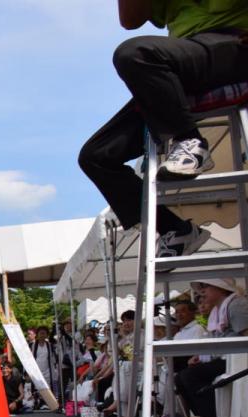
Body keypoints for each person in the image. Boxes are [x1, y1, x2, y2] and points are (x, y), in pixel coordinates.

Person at [78, 1, 248, 260]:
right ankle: (177, 230)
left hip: (234, 43)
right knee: (96, 157)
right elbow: (130, 20)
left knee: (135, 53)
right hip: (187, 58)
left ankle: (191, 143)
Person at [177, 278, 248, 417]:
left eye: (206, 286)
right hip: (225, 357)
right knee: (180, 378)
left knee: (190, 376)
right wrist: (201, 356)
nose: (202, 291)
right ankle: (207, 416)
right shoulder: (218, 310)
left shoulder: (236, 305)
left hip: (238, 360)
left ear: (221, 288)